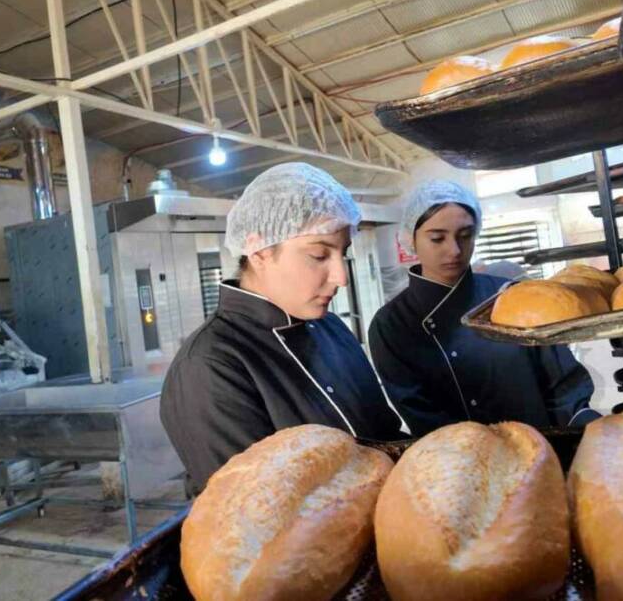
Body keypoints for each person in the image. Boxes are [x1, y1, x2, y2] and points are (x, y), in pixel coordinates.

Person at [160, 163, 411, 494]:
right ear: (260, 250)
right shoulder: (211, 365)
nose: (341, 277)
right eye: (319, 255)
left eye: (343, 254)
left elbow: (386, 435)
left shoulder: (331, 328)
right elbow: (256, 514)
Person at [369, 180, 600, 434]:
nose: (454, 250)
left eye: (465, 236)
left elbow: (565, 388)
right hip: (461, 466)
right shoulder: (391, 325)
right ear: (410, 240)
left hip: (546, 450)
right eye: (437, 238)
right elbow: (423, 419)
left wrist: (591, 429)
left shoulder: (511, 296)